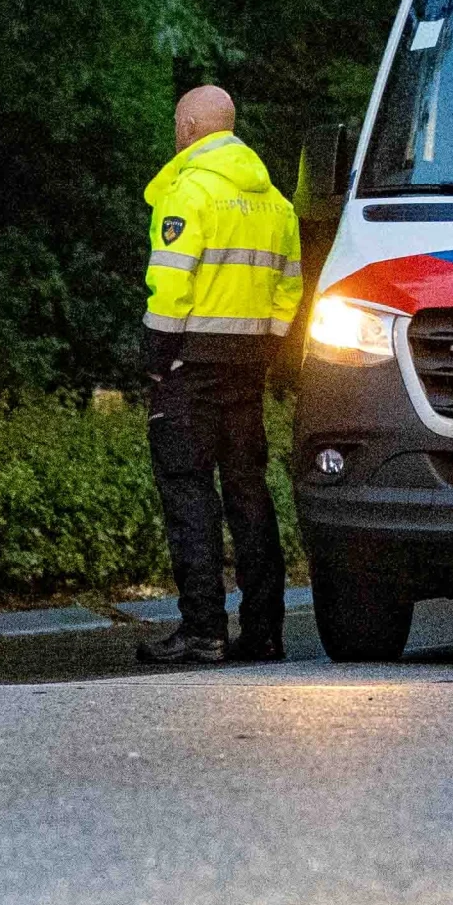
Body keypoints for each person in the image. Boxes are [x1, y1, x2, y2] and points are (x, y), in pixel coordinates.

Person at [136, 85, 301, 665]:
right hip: (247, 365)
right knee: (249, 493)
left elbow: (170, 287)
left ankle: (203, 629)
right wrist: (265, 348)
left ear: (187, 127)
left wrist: (156, 361)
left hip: (190, 363)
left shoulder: (189, 192)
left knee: (188, 491)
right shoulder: (275, 202)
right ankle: (265, 631)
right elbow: (290, 289)